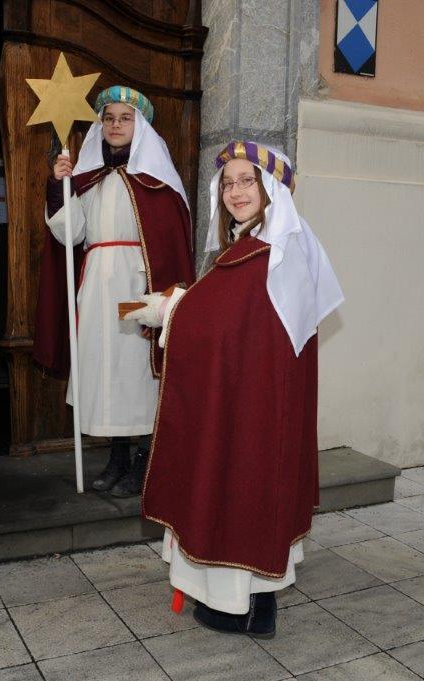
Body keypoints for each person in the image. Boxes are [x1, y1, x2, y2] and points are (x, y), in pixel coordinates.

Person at [132, 141, 343, 636]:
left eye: (247, 180)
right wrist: (185, 306)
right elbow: (231, 320)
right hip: (259, 403)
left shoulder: (265, 253)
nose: (235, 191)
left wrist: (169, 311)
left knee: (239, 487)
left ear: (271, 189)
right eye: (227, 183)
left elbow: (220, 323)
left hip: (251, 409)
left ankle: (241, 607)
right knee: (257, 489)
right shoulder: (273, 247)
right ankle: (255, 603)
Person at [34, 85, 194, 497]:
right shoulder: (89, 179)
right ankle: (117, 457)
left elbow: (171, 246)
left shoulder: (158, 184)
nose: (115, 125)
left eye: (125, 118)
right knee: (105, 371)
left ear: (140, 126)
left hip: (138, 286)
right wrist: (59, 187)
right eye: (108, 118)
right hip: (96, 287)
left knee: (137, 373)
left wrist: (162, 298)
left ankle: (144, 458)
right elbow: (71, 235)